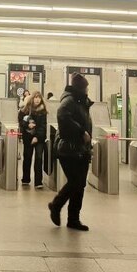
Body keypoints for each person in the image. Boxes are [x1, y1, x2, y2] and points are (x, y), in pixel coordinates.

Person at [47, 73, 93, 231]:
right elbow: (62, 115)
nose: (87, 90)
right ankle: (56, 205)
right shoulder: (69, 100)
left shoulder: (80, 101)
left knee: (80, 185)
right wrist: (81, 131)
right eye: (86, 87)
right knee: (76, 182)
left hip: (81, 149)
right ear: (80, 88)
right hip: (69, 149)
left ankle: (73, 219)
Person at [19, 91, 47, 188]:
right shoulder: (26, 109)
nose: (37, 99)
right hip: (28, 137)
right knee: (27, 157)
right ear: (32, 98)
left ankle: (38, 182)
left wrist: (37, 137)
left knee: (39, 158)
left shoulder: (43, 111)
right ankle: (25, 179)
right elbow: (21, 121)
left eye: (39, 97)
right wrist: (27, 125)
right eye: (35, 97)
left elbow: (43, 126)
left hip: (39, 138)